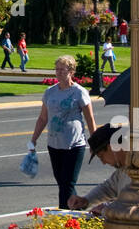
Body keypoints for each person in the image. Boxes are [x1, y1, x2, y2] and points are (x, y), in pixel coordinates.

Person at [26, 54, 97, 208]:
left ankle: (65, 218)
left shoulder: (79, 92)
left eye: (62, 70)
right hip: (54, 144)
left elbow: (90, 118)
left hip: (74, 144)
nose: (58, 73)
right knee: (63, 183)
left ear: (71, 72)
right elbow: (43, 118)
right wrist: (33, 139)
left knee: (67, 183)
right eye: (56, 69)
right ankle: (77, 209)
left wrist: (95, 142)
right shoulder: (50, 92)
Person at [67, 123, 131, 214]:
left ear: (111, 148)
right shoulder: (122, 170)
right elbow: (108, 188)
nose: (104, 162)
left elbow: (137, 203)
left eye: (101, 156)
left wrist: (108, 208)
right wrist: (86, 200)